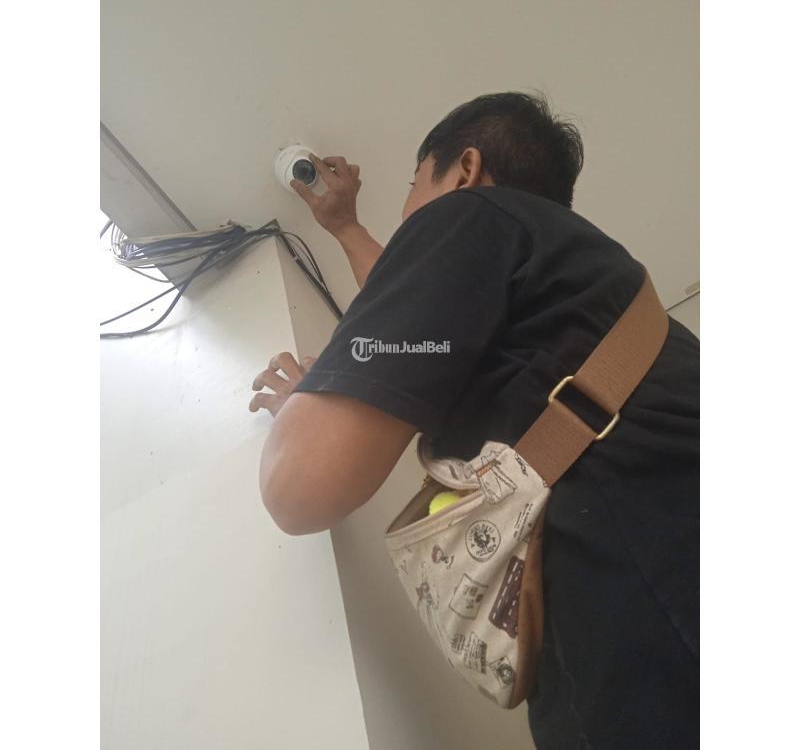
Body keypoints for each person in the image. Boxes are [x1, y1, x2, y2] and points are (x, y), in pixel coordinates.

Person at [248, 91, 699, 749]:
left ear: (465, 170)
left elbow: (297, 488)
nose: (407, 213)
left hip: (653, 624)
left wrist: (304, 401)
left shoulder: (469, 219)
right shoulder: (570, 274)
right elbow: (429, 328)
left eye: (412, 186)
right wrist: (344, 227)